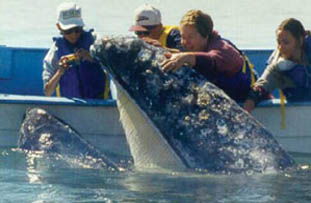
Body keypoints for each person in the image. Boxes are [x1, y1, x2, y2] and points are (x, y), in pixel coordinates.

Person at [161, 10, 256, 103]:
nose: (185, 42)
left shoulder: (223, 49)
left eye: (190, 37)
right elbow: (185, 54)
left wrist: (187, 57)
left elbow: (212, 60)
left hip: (247, 94)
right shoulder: (196, 47)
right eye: (183, 37)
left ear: (205, 35)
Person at [42, 2, 110, 99]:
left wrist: (91, 58)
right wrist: (60, 71)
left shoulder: (96, 40)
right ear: (59, 27)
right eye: (68, 31)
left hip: (99, 104)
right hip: (70, 107)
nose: (74, 35)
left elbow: (114, 68)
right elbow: (48, 92)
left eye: (77, 30)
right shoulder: (55, 51)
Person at [243, 18, 311, 113]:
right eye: (279, 42)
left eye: (286, 42)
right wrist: (246, 110)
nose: (281, 48)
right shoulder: (278, 65)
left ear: (300, 41)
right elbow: (261, 86)